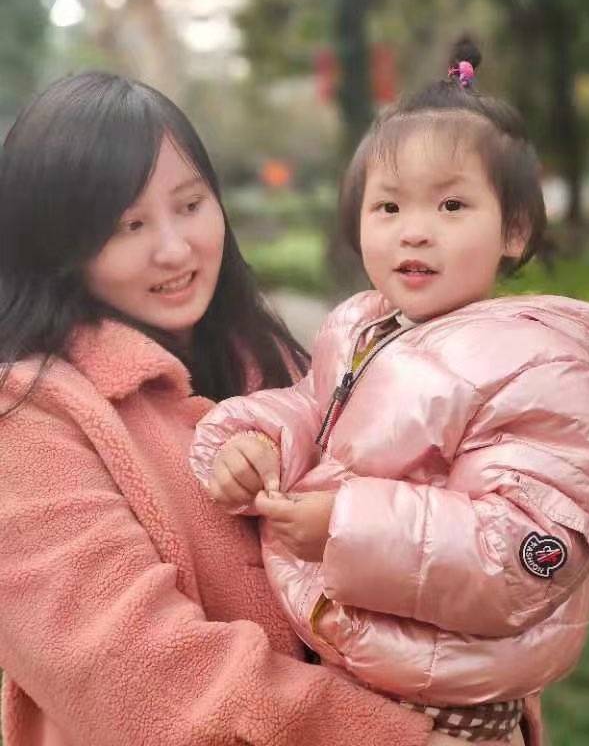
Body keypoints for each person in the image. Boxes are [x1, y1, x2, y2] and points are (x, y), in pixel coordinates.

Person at [0, 72, 474, 746]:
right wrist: (399, 738)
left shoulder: (281, 366)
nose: (175, 248)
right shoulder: (28, 416)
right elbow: (128, 675)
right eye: (129, 225)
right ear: (57, 248)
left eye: (191, 205)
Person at [190, 38, 589, 746]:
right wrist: (252, 441)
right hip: (355, 669)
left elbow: (523, 555)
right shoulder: (362, 323)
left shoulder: (539, 366)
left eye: (451, 205)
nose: (414, 232)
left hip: (448, 708)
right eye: (388, 207)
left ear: (513, 229)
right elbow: (317, 409)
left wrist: (345, 525)